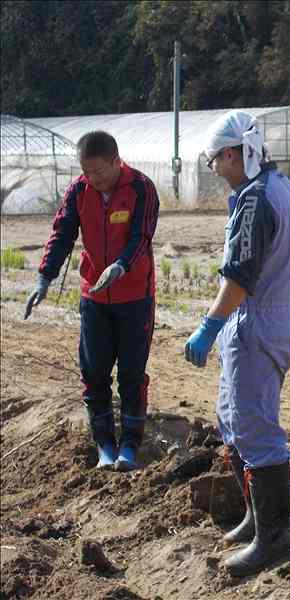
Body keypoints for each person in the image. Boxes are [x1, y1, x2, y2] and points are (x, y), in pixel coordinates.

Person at [183, 110, 290, 577]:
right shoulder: (279, 186)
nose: (214, 169)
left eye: (215, 160)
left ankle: (273, 538)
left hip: (257, 320)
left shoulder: (256, 200)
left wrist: (208, 326)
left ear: (233, 154)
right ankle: (257, 517)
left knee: (255, 428)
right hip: (264, 318)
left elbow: (239, 278)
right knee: (232, 419)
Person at [25, 130, 159, 472]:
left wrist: (121, 265)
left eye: (99, 172)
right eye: (87, 173)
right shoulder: (79, 190)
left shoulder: (141, 188)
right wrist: (45, 277)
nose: (93, 179)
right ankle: (104, 444)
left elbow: (141, 236)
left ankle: (130, 445)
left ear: (116, 161)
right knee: (94, 371)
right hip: (94, 298)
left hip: (134, 297)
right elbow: (62, 233)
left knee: (131, 373)